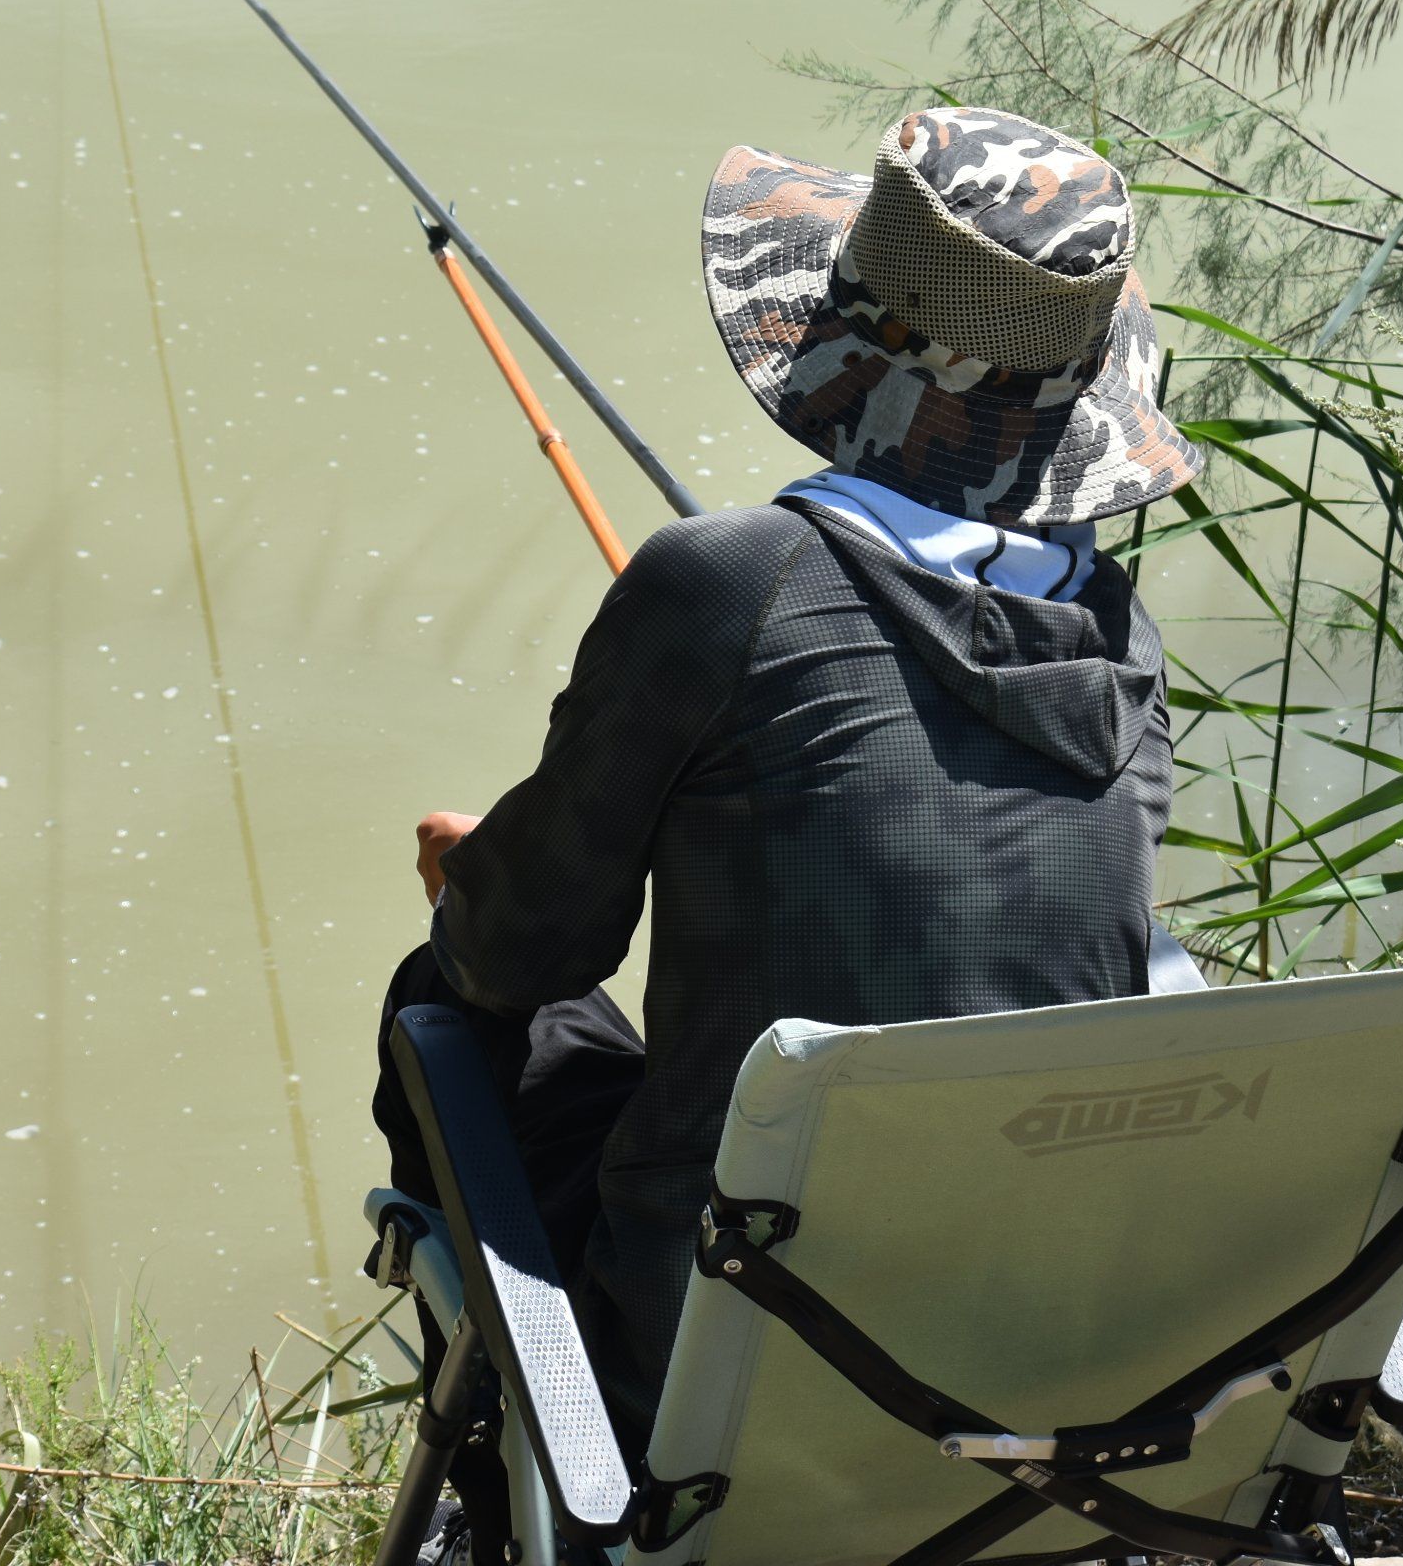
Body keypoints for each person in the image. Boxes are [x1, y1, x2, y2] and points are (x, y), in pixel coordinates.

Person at [369, 105, 1206, 1477]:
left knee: (445, 1005)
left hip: (725, 1369)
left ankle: (521, 1490)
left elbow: (526, 949)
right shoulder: (1122, 639)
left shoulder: (729, 579)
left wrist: (470, 884)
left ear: (846, 334)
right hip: (1035, 1364)